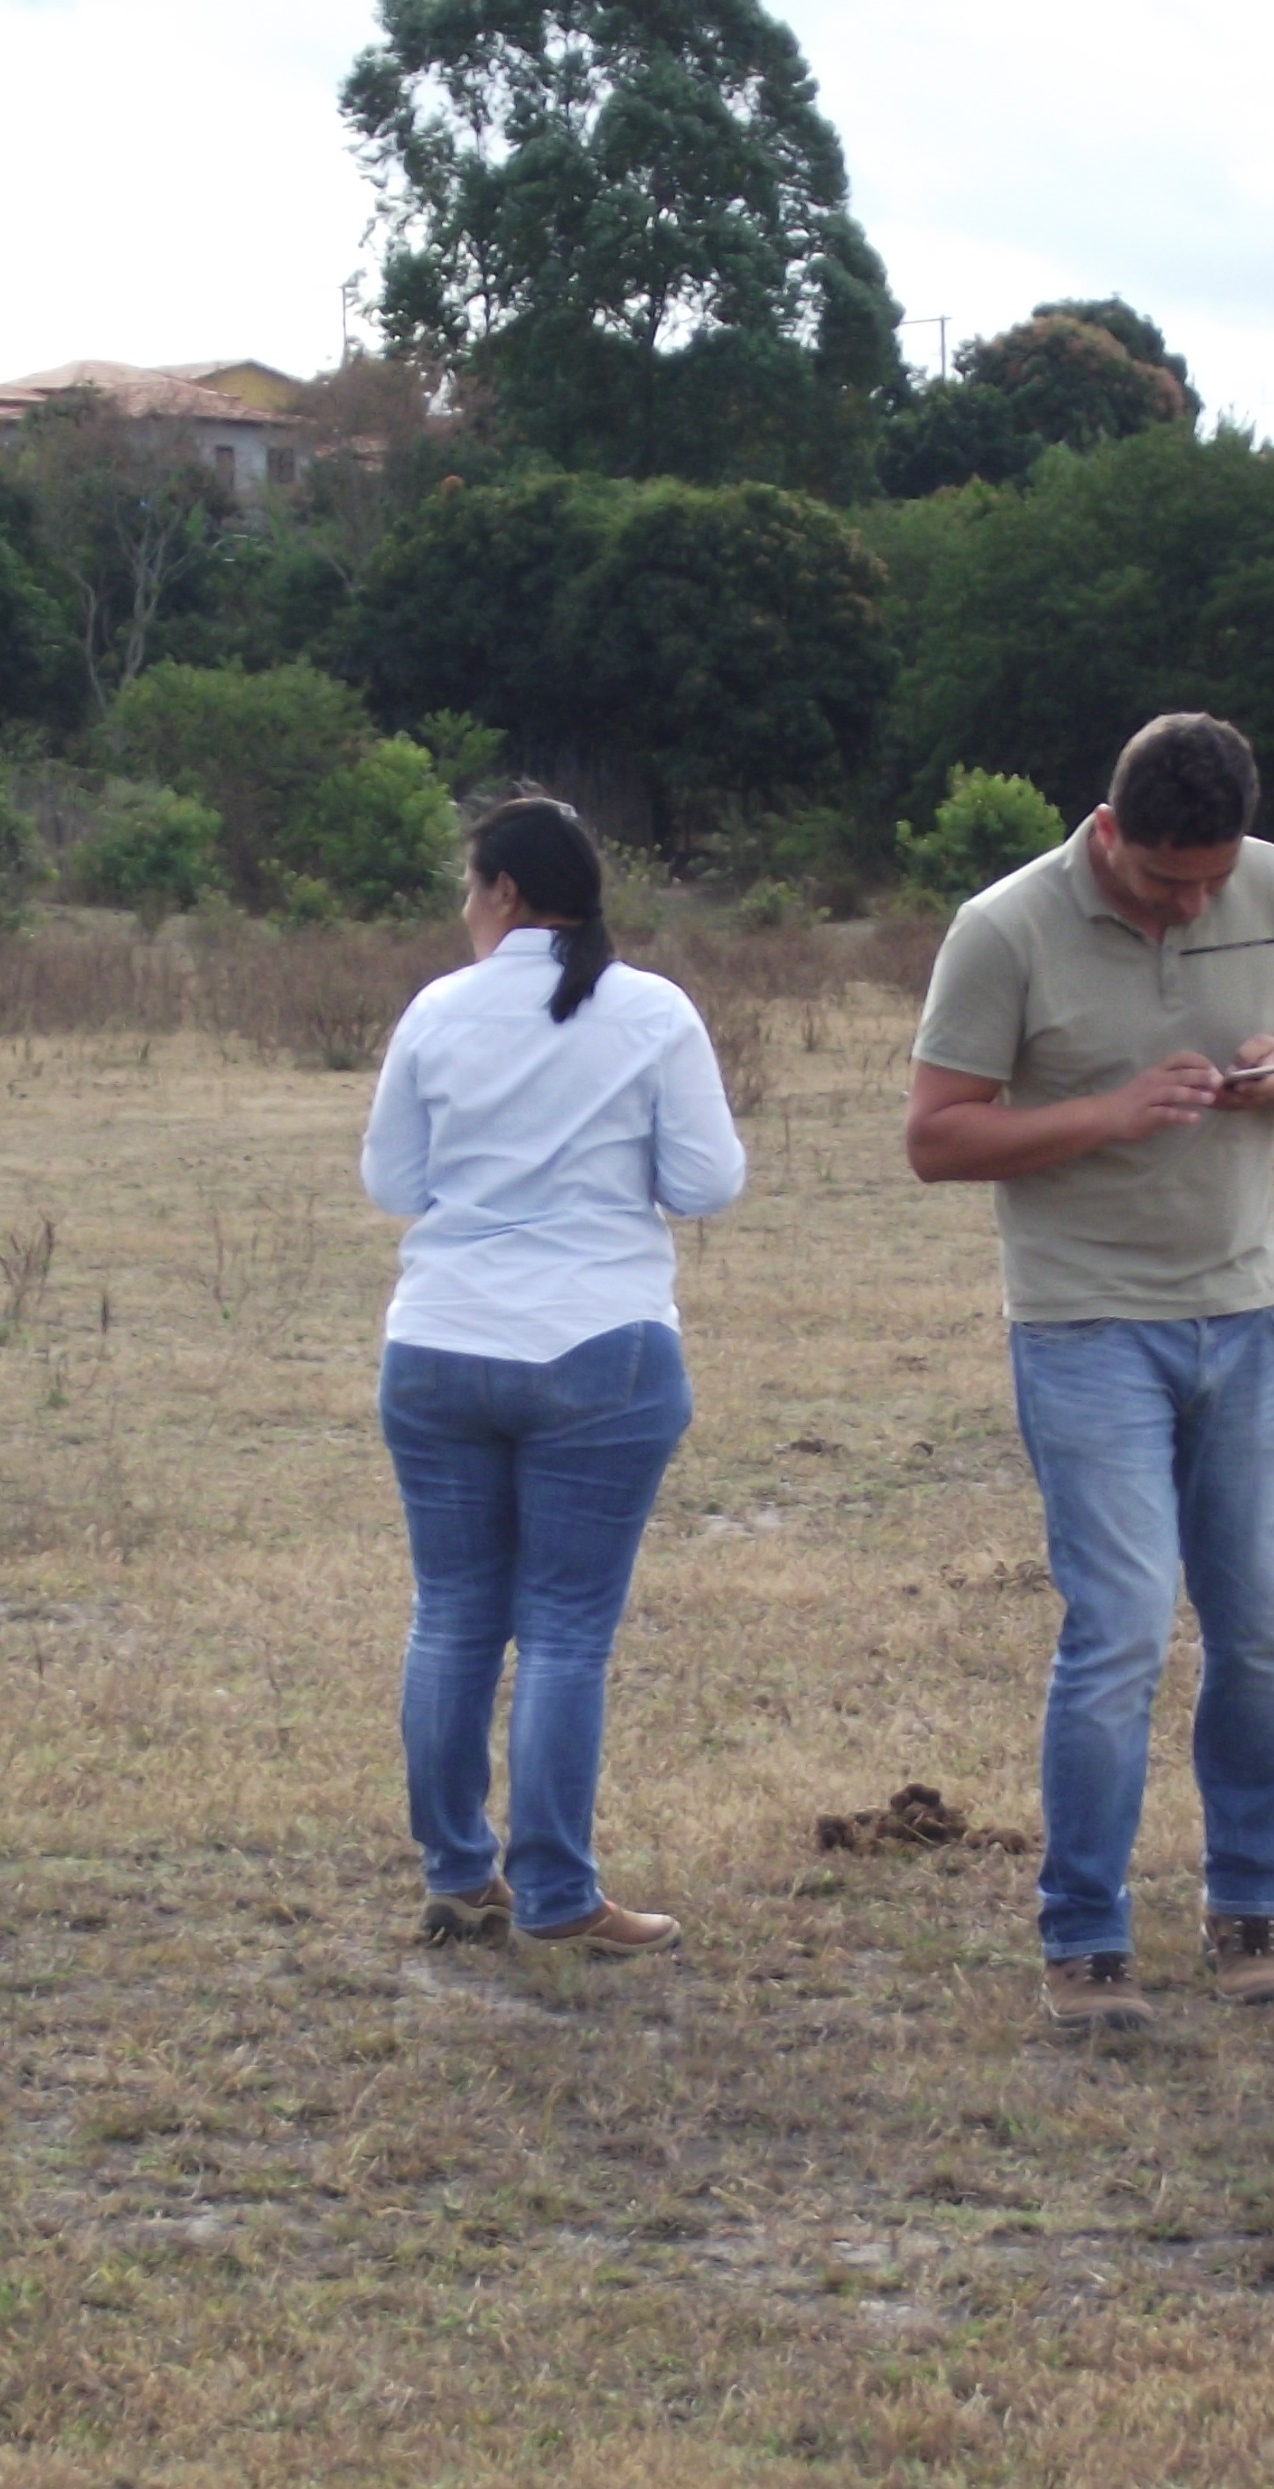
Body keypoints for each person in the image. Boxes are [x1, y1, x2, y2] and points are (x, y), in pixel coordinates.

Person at [905, 714, 1274, 2033]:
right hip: (1085, 1326)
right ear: (1108, 833)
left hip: (1243, 1318)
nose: (1197, 900)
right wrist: (1109, 1113)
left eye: (1213, 876)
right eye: (1170, 880)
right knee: (1117, 1632)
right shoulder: (1004, 928)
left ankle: (1245, 1910)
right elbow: (935, 1137)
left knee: (1267, 1631)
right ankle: (1087, 1939)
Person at [360, 796, 746, 1958]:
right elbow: (706, 1182)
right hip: (601, 1349)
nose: (463, 910)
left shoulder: (436, 1009)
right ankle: (559, 1896)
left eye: (467, 889)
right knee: (566, 1632)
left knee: (452, 1616)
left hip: (437, 1349)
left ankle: (455, 1873)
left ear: (506, 893)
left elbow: (393, 1179)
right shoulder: (650, 1012)